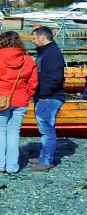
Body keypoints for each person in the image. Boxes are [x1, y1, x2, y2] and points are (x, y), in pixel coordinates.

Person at [0, 31, 38, 176]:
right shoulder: (28, 59)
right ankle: (12, 166)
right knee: (14, 132)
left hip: (0, 100)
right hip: (20, 100)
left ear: (2, 41)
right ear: (19, 42)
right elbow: (33, 82)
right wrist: (26, 95)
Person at [31, 25, 65, 171]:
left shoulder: (52, 54)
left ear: (42, 37)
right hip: (45, 96)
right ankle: (44, 157)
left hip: (49, 97)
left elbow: (55, 78)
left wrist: (43, 93)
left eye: (34, 38)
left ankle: (46, 161)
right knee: (45, 129)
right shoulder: (46, 52)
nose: (32, 41)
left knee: (47, 130)